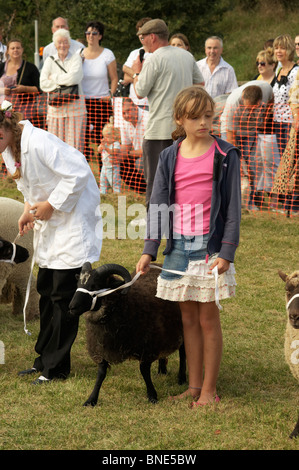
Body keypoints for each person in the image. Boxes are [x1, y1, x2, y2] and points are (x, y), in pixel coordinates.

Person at [136, 86, 241, 407]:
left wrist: (226, 252)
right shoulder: (169, 155)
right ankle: (194, 387)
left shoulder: (225, 154)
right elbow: (157, 204)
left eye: (208, 116)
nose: (204, 123)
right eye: (195, 117)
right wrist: (149, 248)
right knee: (188, 321)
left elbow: (234, 209)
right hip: (177, 250)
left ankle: (209, 391)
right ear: (180, 119)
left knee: (208, 320)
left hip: (209, 252)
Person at [0, 100, 102, 384]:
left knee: (63, 294)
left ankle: (57, 368)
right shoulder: (10, 150)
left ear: (5, 128)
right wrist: (27, 209)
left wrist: (52, 205)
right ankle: (43, 359)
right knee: (46, 287)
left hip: (72, 219)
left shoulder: (41, 142)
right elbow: (26, 186)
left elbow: (79, 172)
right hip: (50, 222)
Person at [131, 18, 204, 207]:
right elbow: (200, 84)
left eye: (143, 37)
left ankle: (154, 221)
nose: (142, 42)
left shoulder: (154, 59)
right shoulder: (186, 56)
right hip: (185, 130)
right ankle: (180, 216)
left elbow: (140, 92)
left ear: (152, 37)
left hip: (159, 130)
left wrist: (136, 73)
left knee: (156, 179)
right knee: (182, 179)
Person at [40, 28, 86, 153]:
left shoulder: (76, 58)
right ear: (55, 45)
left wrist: (54, 78)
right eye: (59, 42)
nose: (62, 45)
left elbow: (75, 78)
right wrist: (65, 83)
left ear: (69, 44)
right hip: (56, 110)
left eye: (65, 42)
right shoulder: (49, 60)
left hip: (75, 110)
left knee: (74, 148)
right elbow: (43, 83)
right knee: (55, 146)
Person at [81, 20, 118, 161]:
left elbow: (114, 78)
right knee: (83, 140)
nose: (91, 36)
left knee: (102, 140)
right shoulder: (80, 54)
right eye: (88, 33)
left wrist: (111, 95)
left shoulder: (107, 54)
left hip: (101, 103)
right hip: (83, 103)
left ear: (100, 36)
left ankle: (105, 173)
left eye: (94, 33)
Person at [271, 68, 299, 215]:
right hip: (296, 127)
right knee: (291, 166)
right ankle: (291, 204)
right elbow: (293, 98)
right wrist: (296, 116)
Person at [0, 38, 40, 123]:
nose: (15, 50)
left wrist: (24, 89)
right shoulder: (1, 67)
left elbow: (39, 89)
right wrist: (2, 90)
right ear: (7, 51)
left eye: (18, 48)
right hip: (3, 111)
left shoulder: (31, 68)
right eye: (12, 48)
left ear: (22, 50)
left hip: (25, 112)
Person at [272, 34, 299, 157]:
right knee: (283, 160)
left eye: (282, 48)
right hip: (278, 122)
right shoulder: (279, 70)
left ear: (289, 50)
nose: (278, 51)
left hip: (291, 123)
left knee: (291, 160)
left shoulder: (296, 71)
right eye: (276, 48)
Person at [119, 97, 149, 192]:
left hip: (152, 155)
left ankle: (152, 187)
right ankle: (141, 189)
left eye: (128, 111)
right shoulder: (124, 122)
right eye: (124, 113)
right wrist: (116, 153)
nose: (127, 115)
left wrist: (127, 154)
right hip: (137, 154)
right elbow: (126, 145)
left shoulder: (148, 119)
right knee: (120, 162)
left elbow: (149, 150)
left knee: (139, 163)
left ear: (135, 107)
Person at [122, 18, 152, 108]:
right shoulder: (134, 53)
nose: (141, 36)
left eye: (144, 33)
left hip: (150, 104)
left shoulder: (158, 54)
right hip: (134, 104)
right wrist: (139, 76)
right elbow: (125, 76)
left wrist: (134, 76)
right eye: (139, 33)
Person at [98, 118, 122, 194]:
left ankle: (117, 193)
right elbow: (98, 150)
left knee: (114, 182)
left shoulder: (116, 144)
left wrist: (106, 148)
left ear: (114, 136)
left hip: (113, 168)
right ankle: (102, 193)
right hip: (104, 167)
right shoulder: (105, 144)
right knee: (102, 182)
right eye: (104, 136)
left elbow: (115, 152)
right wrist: (101, 146)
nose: (105, 138)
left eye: (107, 137)